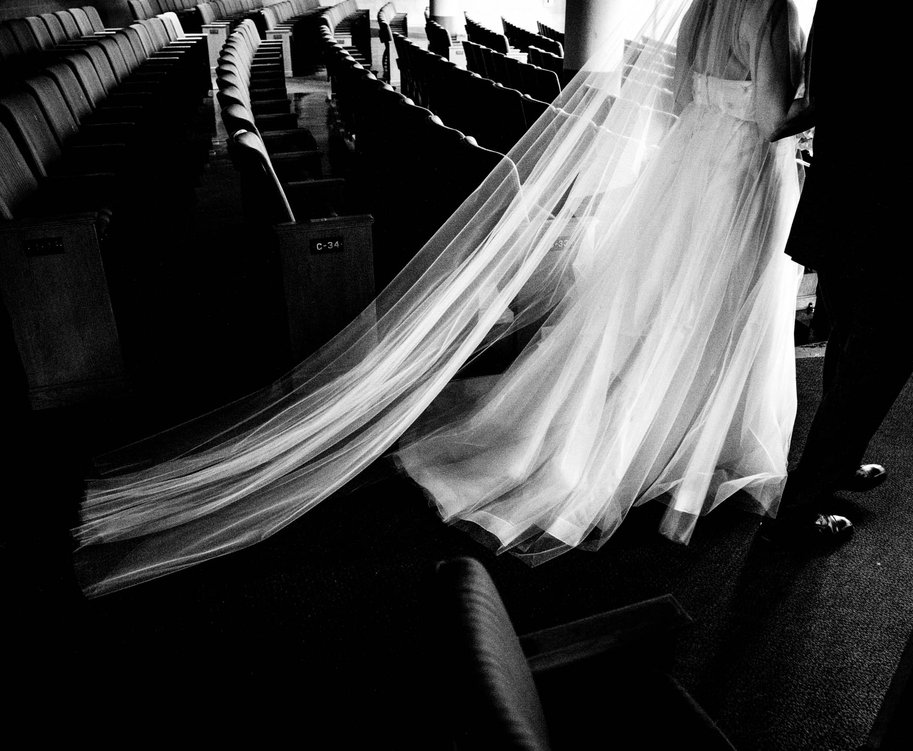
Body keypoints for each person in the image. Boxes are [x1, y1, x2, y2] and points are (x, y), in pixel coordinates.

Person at [74, 0, 810, 595]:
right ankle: (697, 439)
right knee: (716, 313)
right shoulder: (772, 10)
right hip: (740, 176)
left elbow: (679, 101)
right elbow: (777, 118)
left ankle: (670, 430)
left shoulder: (700, 9)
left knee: (677, 312)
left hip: (691, 172)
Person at [764, 0, 913, 542]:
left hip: (850, 198)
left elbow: (822, 84)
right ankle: (798, 513)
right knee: (874, 369)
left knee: (849, 342)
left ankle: (838, 462)